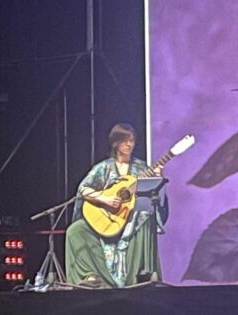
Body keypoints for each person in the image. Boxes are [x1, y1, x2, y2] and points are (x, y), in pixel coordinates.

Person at [65, 123, 168, 288]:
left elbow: (155, 197)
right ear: (115, 143)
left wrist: (158, 179)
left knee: (145, 218)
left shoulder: (141, 168)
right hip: (107, 221)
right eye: (124, 140)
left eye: (132, 140)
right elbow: (83, 190)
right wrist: (104, 199)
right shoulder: (104, 168)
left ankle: (139, 277)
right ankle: (92, 277)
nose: (129, 144)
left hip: (132, 222)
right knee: (75, 230)